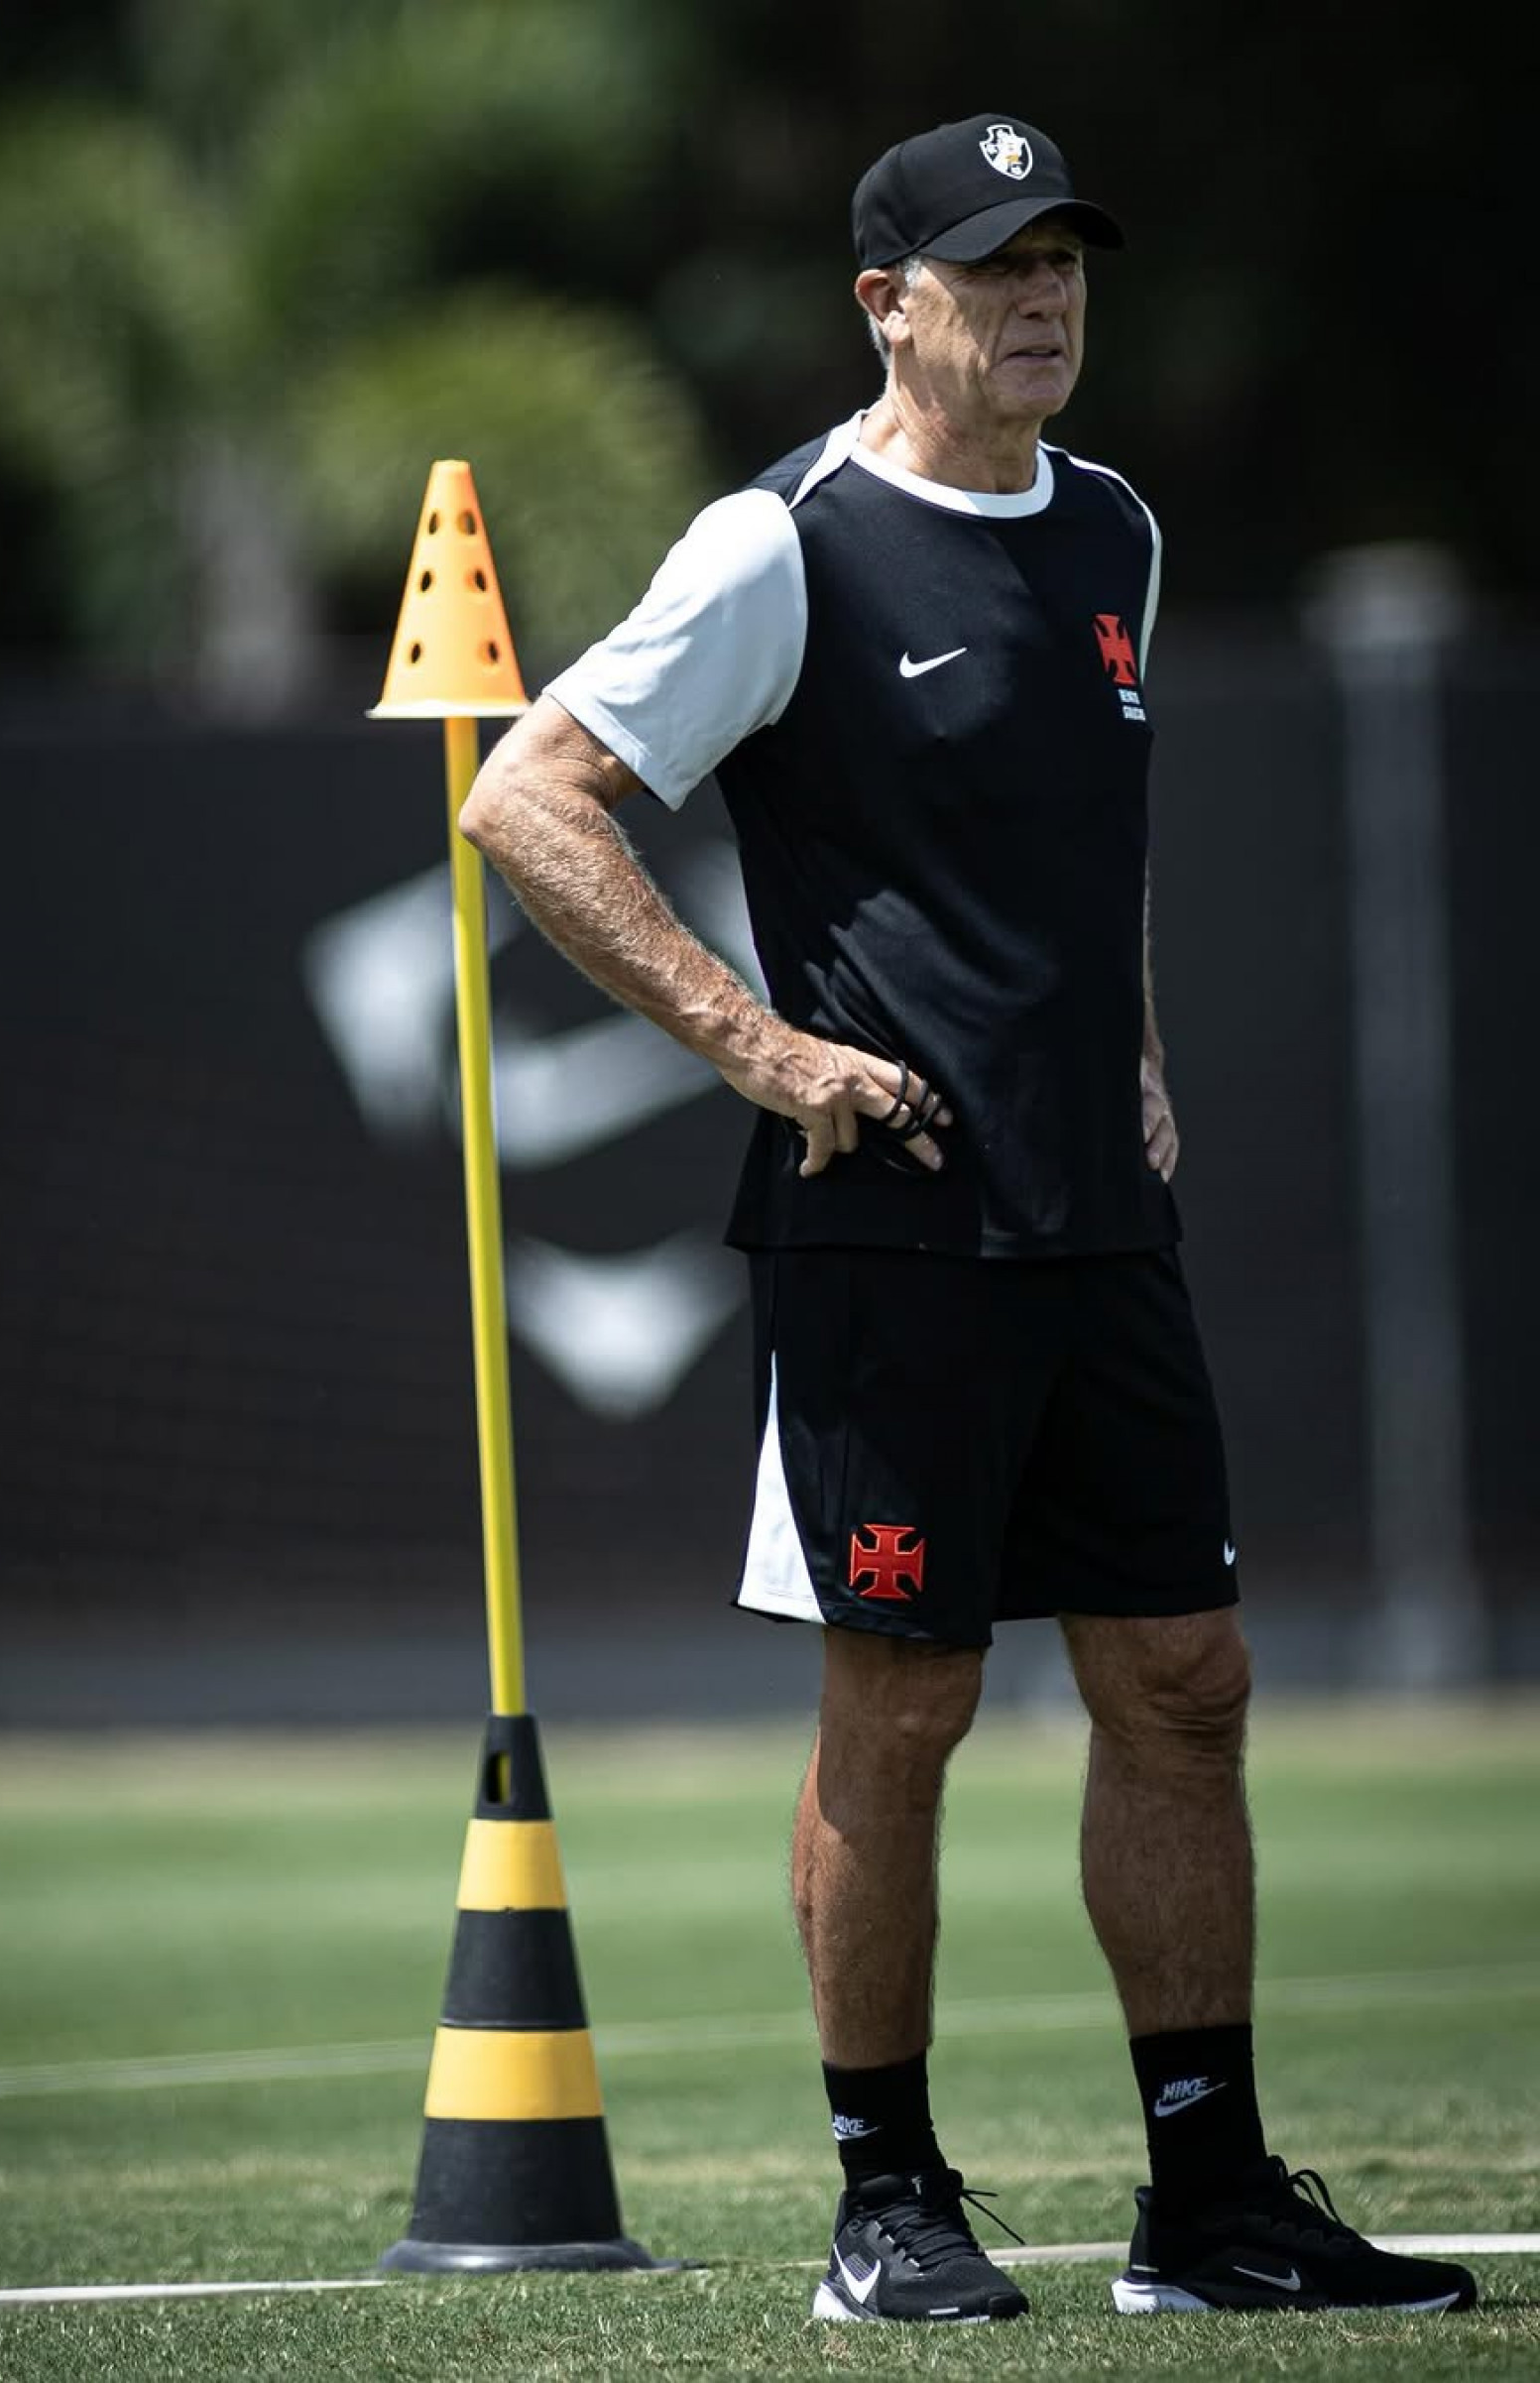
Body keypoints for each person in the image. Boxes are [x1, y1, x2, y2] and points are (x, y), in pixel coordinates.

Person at [459, 110, 1478, 2327]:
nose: (1044, 300)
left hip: (1098, 1216)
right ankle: (884, 2202)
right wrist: (761, 1046)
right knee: (901, 1707)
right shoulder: (782, 543)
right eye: (998, 266)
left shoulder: (1115, 526)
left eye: (1067, 264)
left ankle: (1204, 2205)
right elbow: (526, 792)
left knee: (1184, 1684)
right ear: (884, 304)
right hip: (891, 1225)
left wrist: (1131, 1044)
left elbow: (1077, 846)